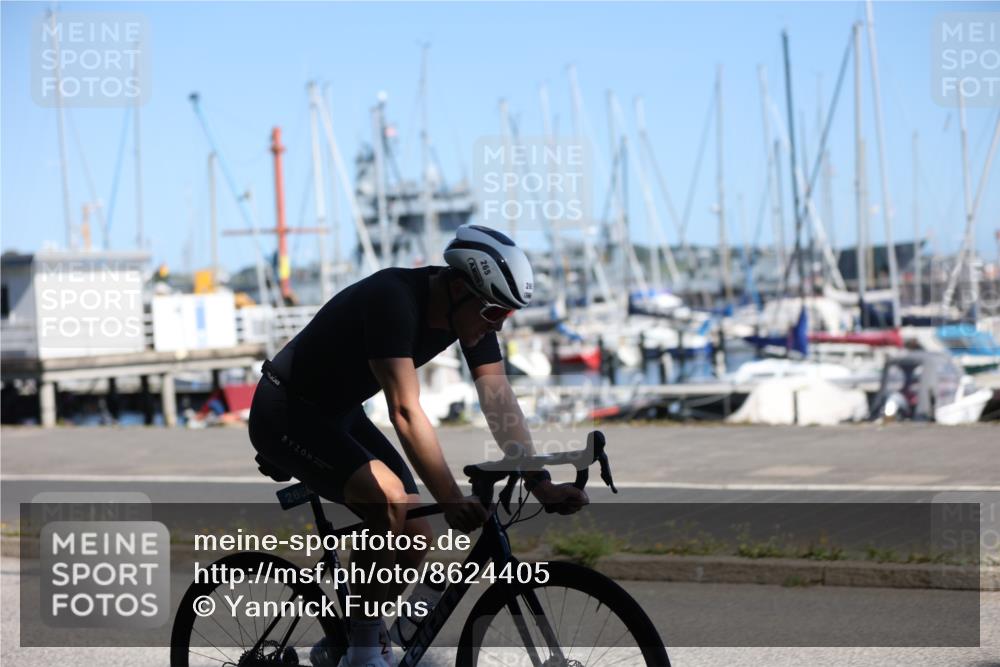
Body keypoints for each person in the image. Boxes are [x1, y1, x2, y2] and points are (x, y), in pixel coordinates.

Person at [248, 224, 589, 667]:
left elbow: (499, 399)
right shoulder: (394, 299)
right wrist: (449, 497)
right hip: (286, 412)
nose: (496, 325)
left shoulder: (470, 314)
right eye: (492, 313)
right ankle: (364, 653)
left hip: (338, 414)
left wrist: (539, 483)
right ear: (458, 287)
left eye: (505, 317)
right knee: (388, 501)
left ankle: (345, 642)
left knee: (413, 538)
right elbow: (405, 412)